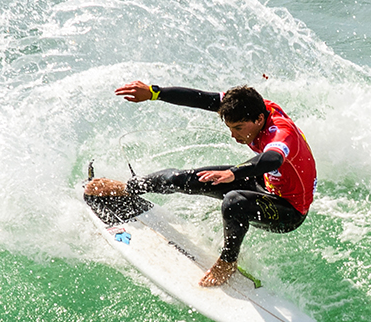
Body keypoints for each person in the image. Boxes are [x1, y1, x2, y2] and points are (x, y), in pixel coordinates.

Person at [85, 80, 317, 287]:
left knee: (234, 202)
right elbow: (201, 99)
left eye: (238, 128)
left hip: (288, 209)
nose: (233, 135)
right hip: (266, 181)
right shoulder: (249, 106)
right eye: (230, 128)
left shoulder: (281, 133)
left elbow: (272, 159)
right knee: (180, 179)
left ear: (259, 120)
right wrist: (155, 92)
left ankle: (228, 262)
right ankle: (128, 188)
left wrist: (233, 173)